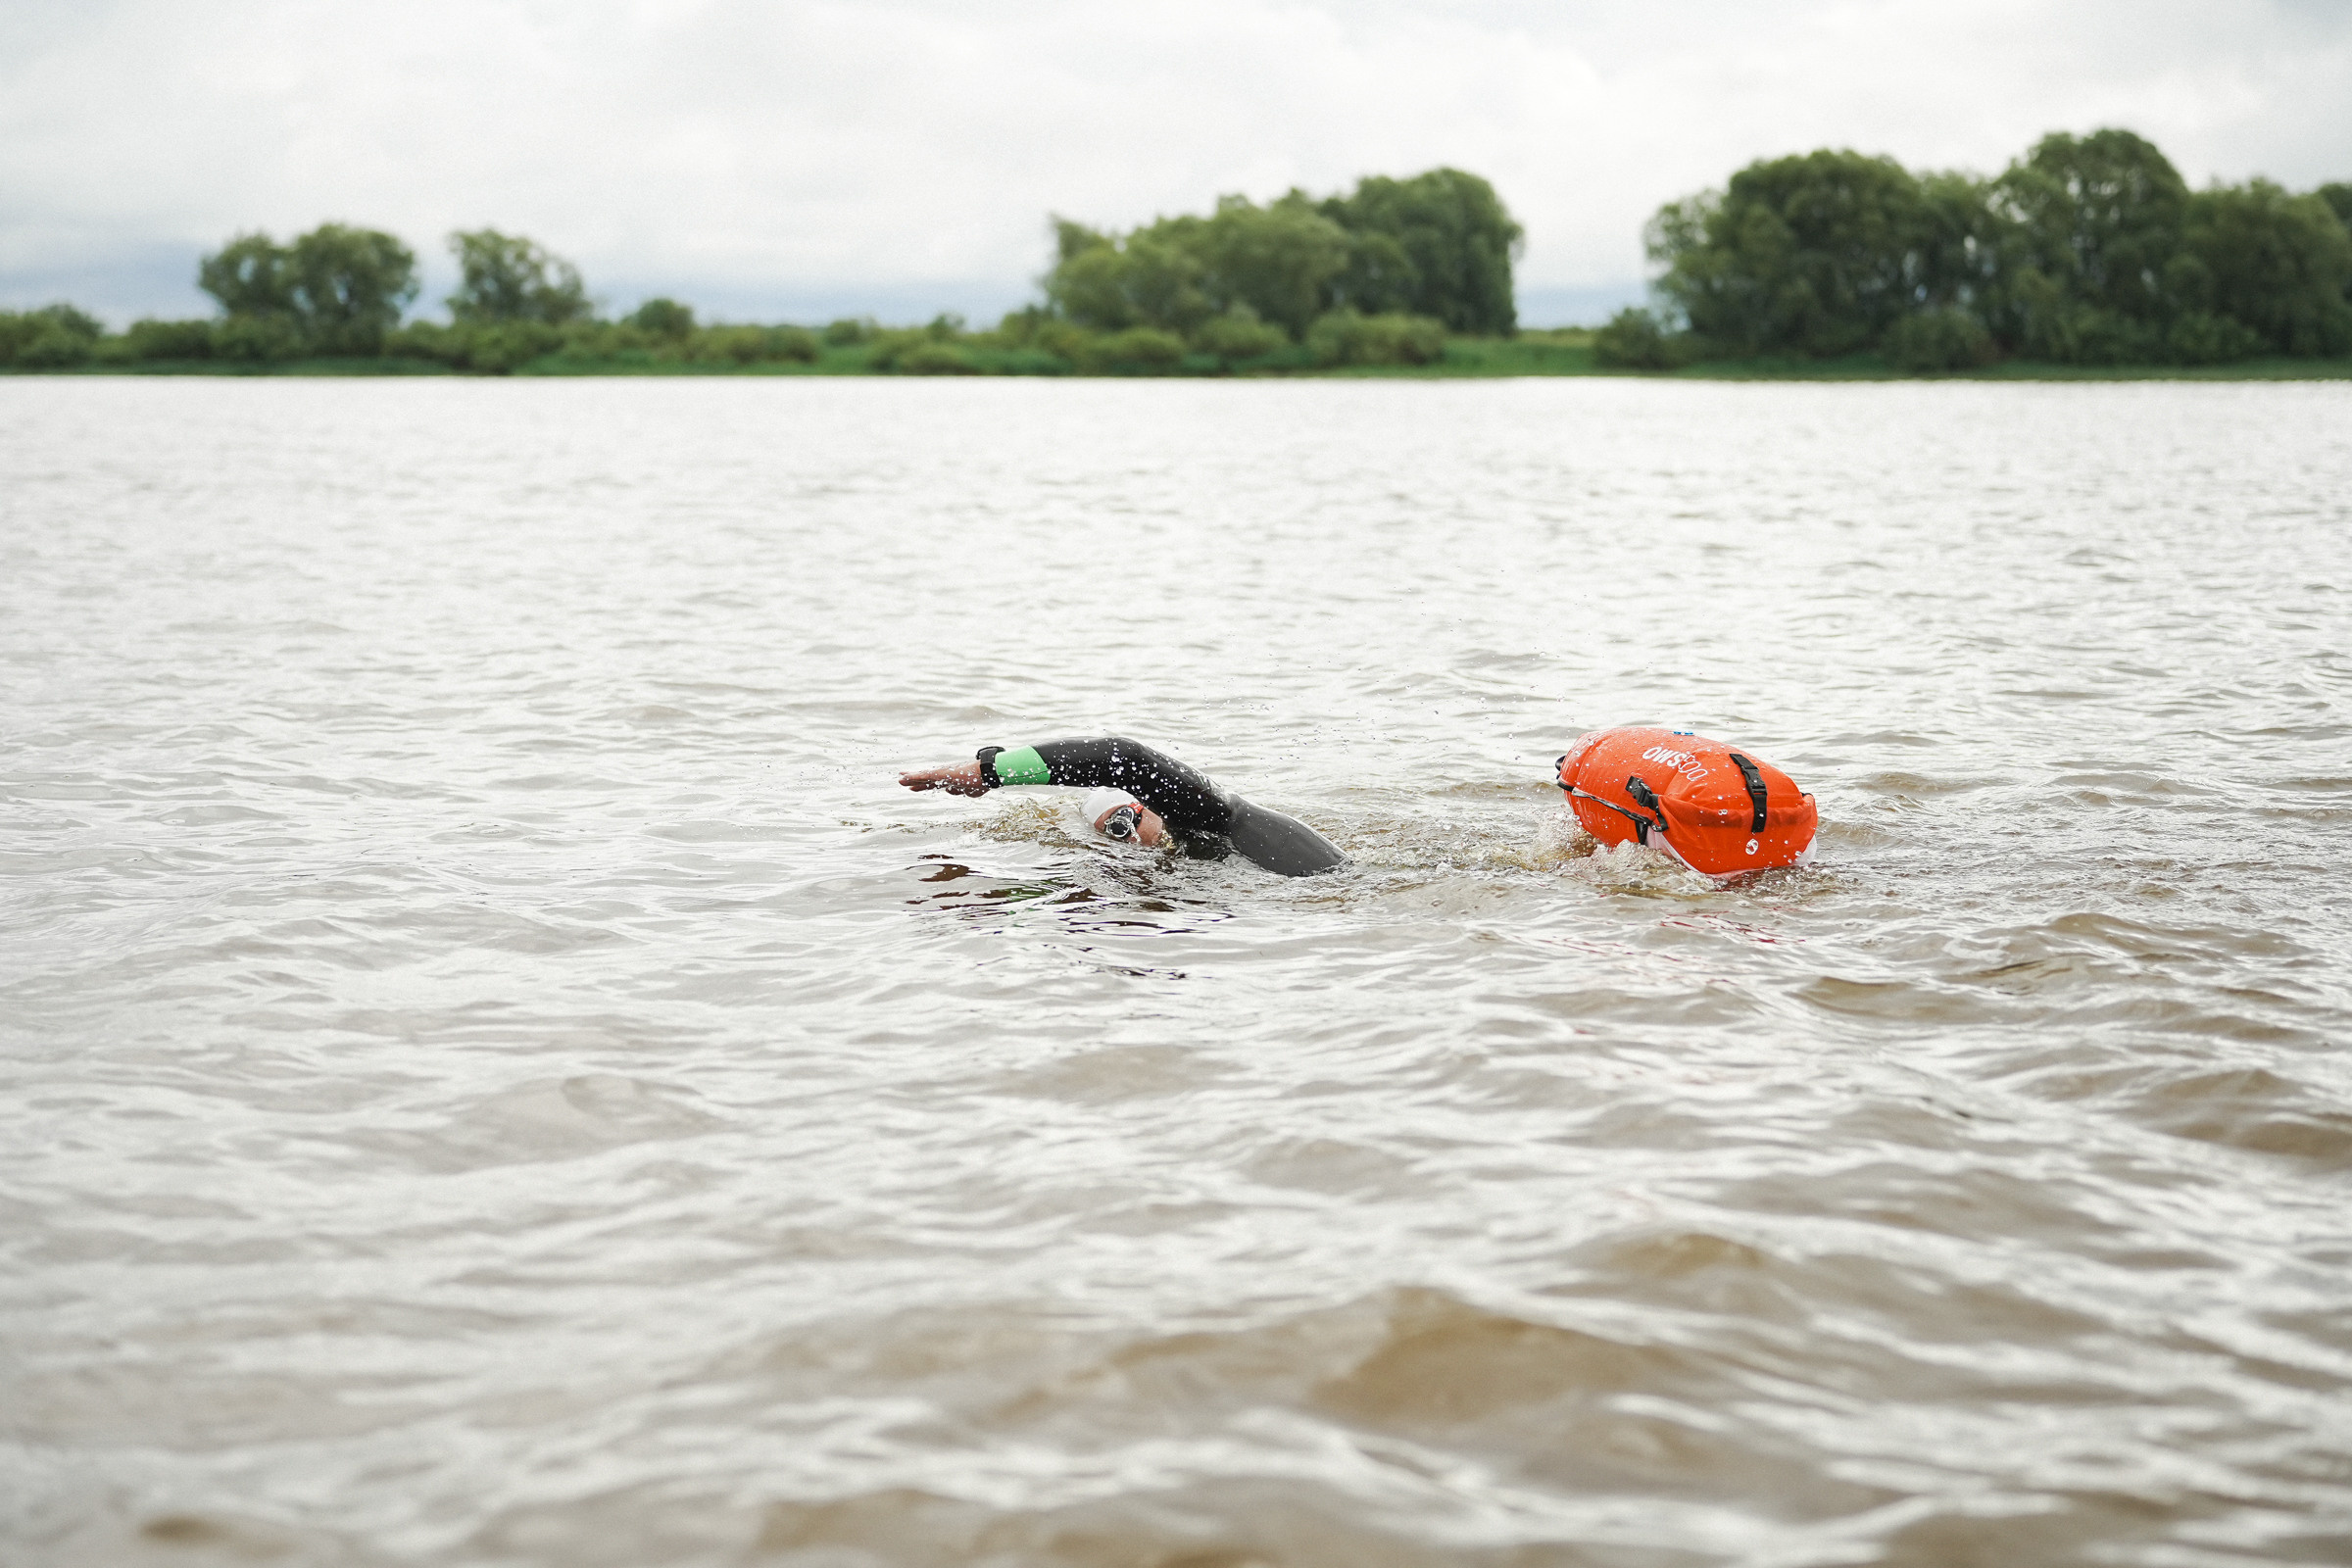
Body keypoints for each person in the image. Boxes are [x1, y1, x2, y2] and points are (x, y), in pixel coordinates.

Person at [899, 736, 1347, 877]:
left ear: (1146, 804)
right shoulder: (1190, 853)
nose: (1131, 839)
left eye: (1125, 821)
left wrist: (990, 771)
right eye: (1113, 836)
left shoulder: (1217, 817)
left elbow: (1126, 757)